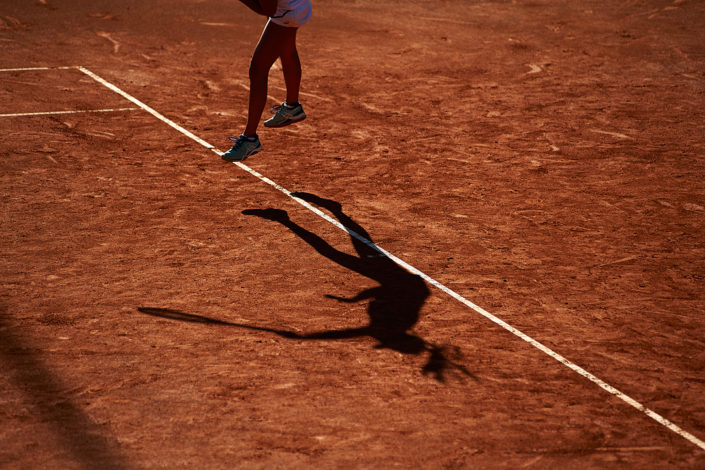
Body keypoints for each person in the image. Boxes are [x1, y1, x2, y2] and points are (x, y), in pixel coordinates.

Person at [222, 0, 312, 162]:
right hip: (294, 7)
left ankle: (250, 139)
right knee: (287, 50)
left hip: (287, 12)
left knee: (258, 69)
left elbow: (269, 10)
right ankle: (292, 107)